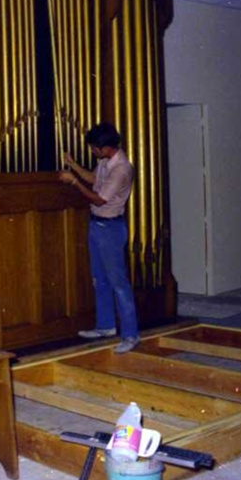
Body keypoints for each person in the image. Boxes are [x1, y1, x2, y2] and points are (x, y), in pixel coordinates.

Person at [59, 122, 139, 354]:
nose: (92, 151)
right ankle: (105, 326)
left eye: (95, 148)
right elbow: (94, 179)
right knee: (99, 280)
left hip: (111, 229)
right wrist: (74, 166)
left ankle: (131, 334)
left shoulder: (122, 168)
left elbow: (99, 199)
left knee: (119, 284)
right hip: (97, 226)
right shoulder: (105, 161)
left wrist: (73, 182)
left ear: (107, 148)